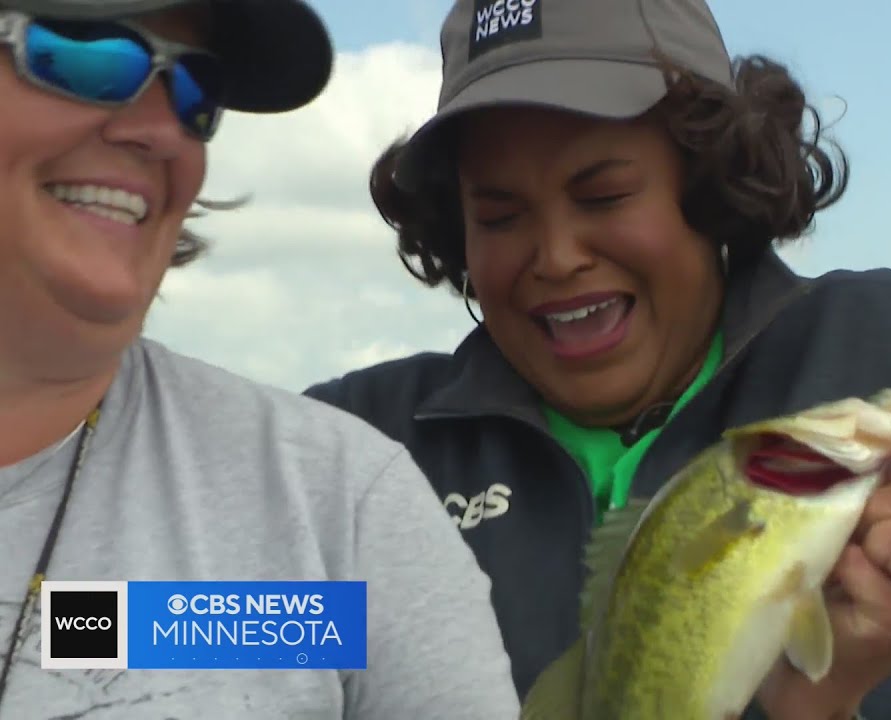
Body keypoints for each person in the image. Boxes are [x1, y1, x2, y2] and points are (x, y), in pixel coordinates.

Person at [305, 0, 891, 717]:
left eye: (606, 192)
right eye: (499, 216)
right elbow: (181, 641)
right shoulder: (344, 453)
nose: (556, 254)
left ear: (713, 180)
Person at [0, 0, 521, 718]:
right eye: (86, 54)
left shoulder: (332, 513)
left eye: (196, 90)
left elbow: (104, 628)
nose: (161, 130)